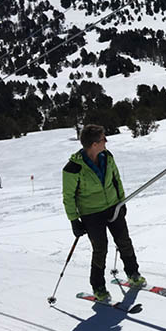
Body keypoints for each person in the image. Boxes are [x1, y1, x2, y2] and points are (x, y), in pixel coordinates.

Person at [62, 124, 145, 301]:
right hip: (91, 214)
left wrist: (121, 202)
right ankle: (98, 286)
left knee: (124, 240)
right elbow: (68, 197)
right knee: (100, 249)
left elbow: (116, 179)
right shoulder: (72, 168)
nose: (106, 141)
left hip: (113, 207)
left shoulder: (107, 156)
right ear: (93, 144)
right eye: (102, 139)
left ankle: (133, 273)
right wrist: (74, 220)